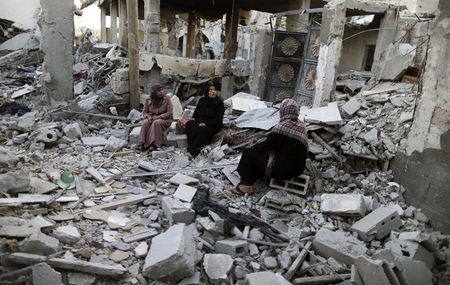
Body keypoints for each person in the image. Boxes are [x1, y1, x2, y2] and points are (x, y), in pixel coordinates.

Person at [232, 99, 308, 195]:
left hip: (282, 171)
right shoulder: (302, 127)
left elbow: (266, 146)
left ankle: (245, 185)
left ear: (284, 111)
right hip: (297, 171)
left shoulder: (282, 128)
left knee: (248, 153)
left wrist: (253, 147)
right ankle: (254, 179)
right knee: (264, 156)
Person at [185, 84, 225, 157]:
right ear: (206, 91)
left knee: (202, 130)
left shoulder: (219, 103)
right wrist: (196, 121)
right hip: (200, 123)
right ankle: (191, 147)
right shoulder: (202, 100)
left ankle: (193, 152)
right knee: (189, 124)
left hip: (213, 125)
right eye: (210, 90)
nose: (213, 92)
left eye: (214, 90)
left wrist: (205, 123)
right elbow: (195, 114)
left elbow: (218, 119)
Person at [137, 84, 173, 151]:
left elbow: (169, 113)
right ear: (154, 93)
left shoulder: (167, 99)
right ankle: (141, 143)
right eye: (159, 91)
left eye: (162, 90)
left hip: (165, 119)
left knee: (156, 122)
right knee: (145, 122)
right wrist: (148, 116)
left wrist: (159, 117)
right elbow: (145, 112)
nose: (161, 92)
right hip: (152, 117)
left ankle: (154, 144)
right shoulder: (148, 99)